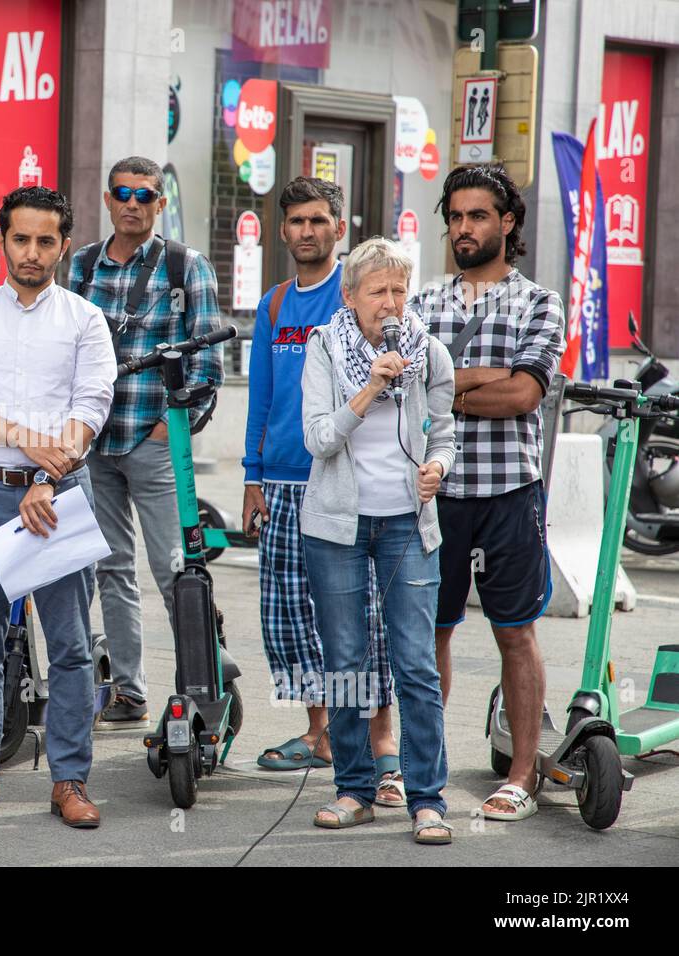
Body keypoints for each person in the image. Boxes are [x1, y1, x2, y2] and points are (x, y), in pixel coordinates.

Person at [0, 186, 115, 828]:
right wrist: (25, 443)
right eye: (20, 239)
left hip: (60, 496)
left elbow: (92, 407)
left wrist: (50, 471)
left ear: (64, 245)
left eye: (46, 241)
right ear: (1, 241)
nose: (32, 252)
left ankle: (70, 780)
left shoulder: (84, 320)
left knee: (68, 645)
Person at [409, 163, 566, 823]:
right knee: (430, 633)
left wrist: (451, 383)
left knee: (515, 634)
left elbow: (525, 393)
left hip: (509, 493)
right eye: (454, 217)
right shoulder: (421, 303)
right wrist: (479, 379)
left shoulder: (539, 302)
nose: (463, 228)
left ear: (507, 222)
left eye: (477, 216)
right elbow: (410, 391)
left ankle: (524, 775)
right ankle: (426, 776)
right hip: (435, 492)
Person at [242, 177, 404, 806]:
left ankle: (380, 743)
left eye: (318, 220)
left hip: (341, 480)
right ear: (283, 231)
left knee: (361, 620)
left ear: (340, 226)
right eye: (295, 222)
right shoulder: (276, 304)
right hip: (280, 484)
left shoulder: (357, 300)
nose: (306, 231)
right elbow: (261, 396)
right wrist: (252, 478)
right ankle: (321, 733)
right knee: (287, 618)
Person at [300, 236, 456, 844]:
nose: (390, 303)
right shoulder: (325, 350)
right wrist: (367, 387)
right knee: (346, 661)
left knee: (415, 662)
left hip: (406, 524)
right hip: (337, 525)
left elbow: (444, 435)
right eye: (377, 291)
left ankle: (427, 798)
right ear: (350, 296)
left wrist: (437, 469)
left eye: (399, 289)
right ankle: (354, 788)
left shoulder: (429, 354)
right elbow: (317, 438)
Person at [69, 156, 223, 730]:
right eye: (122, 193)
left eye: (145, 195)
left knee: (174, 568)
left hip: (155, 440)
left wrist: (171, 427)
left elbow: (209, 357)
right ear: (107, 200)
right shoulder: (80, 266)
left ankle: (202, 689)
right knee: (110, 567)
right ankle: (130, 692)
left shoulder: (186, 266)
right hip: (92, 444)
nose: (132, 203)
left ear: (160, 204)